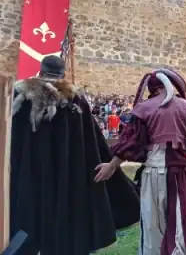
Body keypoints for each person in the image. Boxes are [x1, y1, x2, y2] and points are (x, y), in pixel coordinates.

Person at [11, 55, 139, 254]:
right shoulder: (75, 99)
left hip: (29, 175)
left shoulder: (20, 96)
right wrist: (110, 166)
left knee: (28, 224)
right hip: (68, 178)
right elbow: (92, 140)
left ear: (41, 71)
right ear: (63, 74)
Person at [96, 67, 186, 255]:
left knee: (152, 225)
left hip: (153, 172)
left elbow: (131, 142)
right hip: (180, 174)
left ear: (152, 89)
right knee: (179, 223)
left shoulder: (144, 109)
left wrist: (112, 165)